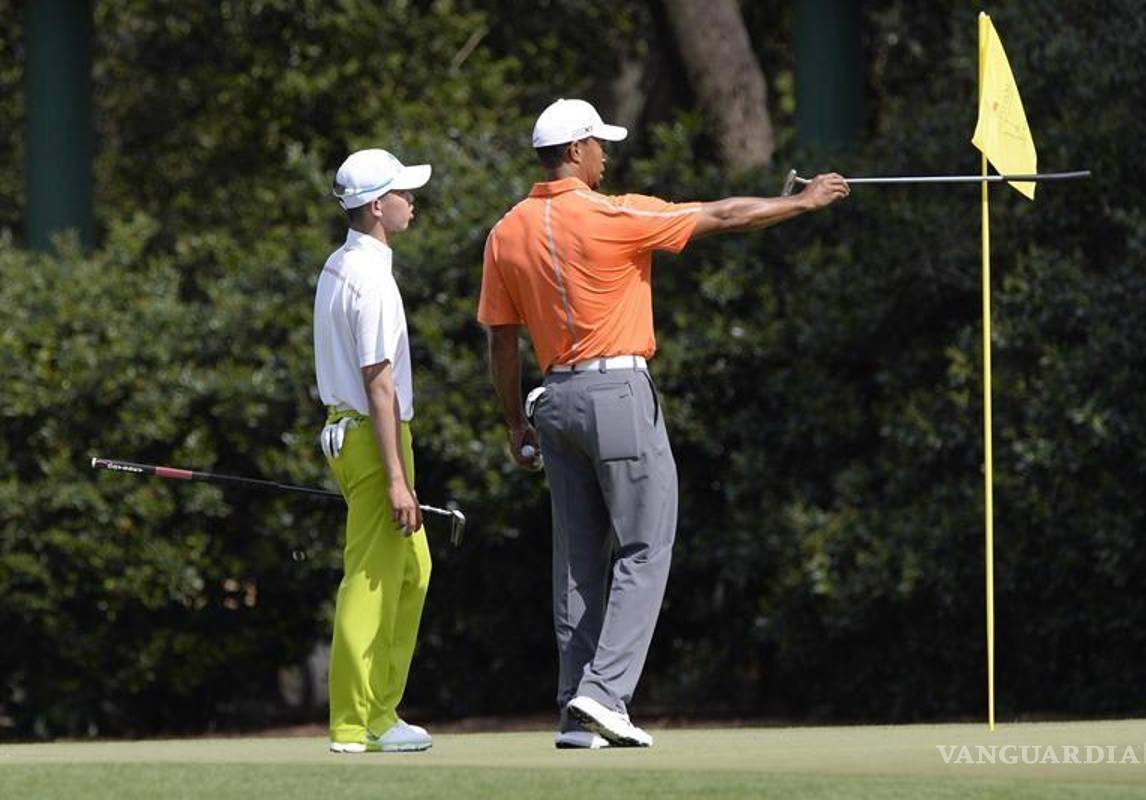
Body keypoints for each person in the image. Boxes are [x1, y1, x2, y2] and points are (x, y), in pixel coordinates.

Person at [477, 99, 850, 749]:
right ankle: (604, 693)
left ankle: (575, 709)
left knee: (577, 564)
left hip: (554, 401)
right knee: (646, 545)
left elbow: (501, 343)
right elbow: (725, 215)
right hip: (616, 393)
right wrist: (802, 204)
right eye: (598, 144)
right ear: (574, 151)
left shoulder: (505, 230)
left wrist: (514, 423)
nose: (605, 154)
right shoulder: (614, 213)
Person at [313, 148, 434, 753]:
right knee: (369, 577)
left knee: (413, 568)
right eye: (403, 193)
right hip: (373, 437)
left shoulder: (339, 264)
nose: (413, 200)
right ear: (378, 207)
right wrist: (396, 477)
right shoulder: (373, 279)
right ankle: (355, 724)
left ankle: (383, 711)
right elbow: (379, 382)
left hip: (351, 433)